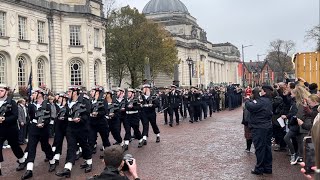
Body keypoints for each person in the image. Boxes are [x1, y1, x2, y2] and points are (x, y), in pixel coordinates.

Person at [55, 86, 93, 178]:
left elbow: (87, 114)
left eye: (69, 91)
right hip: (70, 127)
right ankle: (67, 168)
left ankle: (89, 162)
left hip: (81, 128)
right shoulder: (68, 102)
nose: (68, 93)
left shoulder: (84, 101)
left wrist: (80, 119)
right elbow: (67, 113)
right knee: (71, 147)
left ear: (75, 92)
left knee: (84, 145)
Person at [21, 88, 56, 179]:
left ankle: (52, 161)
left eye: (35, 93)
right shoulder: (32, 105)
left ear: (40, 94)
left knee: (45, 146)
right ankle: (29, 170)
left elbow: (49, 118)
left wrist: (43, 123)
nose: (33, 94)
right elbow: (31, 116)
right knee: (31, 147)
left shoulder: (47, 105)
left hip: (43, 129)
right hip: (34, 128)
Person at [246, 85, 274, 175]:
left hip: (259, 127)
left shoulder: (262, 101)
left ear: (264, 92)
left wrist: (247, 100)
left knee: (260, 148)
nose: (260, 92)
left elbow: (250, 107)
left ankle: (259, 168)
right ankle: (267, 167)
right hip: (266, 126)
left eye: (261, 90)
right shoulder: (268, 100)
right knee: (267, 148)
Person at [0, 84, 26, 176]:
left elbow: (15, 116)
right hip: (0, 129)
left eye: (2, 90)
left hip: (11, 129)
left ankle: (22, 160)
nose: (0, 92)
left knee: (15, 146)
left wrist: (4, 119)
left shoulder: (12, 103)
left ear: (6, 92)